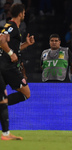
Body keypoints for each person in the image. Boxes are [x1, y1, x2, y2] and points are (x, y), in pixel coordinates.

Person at [0, 3, 35, 140]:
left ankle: (6, 134)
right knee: (26, 94)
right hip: (7, 67)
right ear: (21, 13)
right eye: (24, 13)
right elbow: (1, 40)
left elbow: (12, 47)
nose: (24, 15)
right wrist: (10, 53)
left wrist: (26, 44)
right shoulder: (12, 26)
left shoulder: (13, 28)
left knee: (2, 100)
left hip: (4, 66)